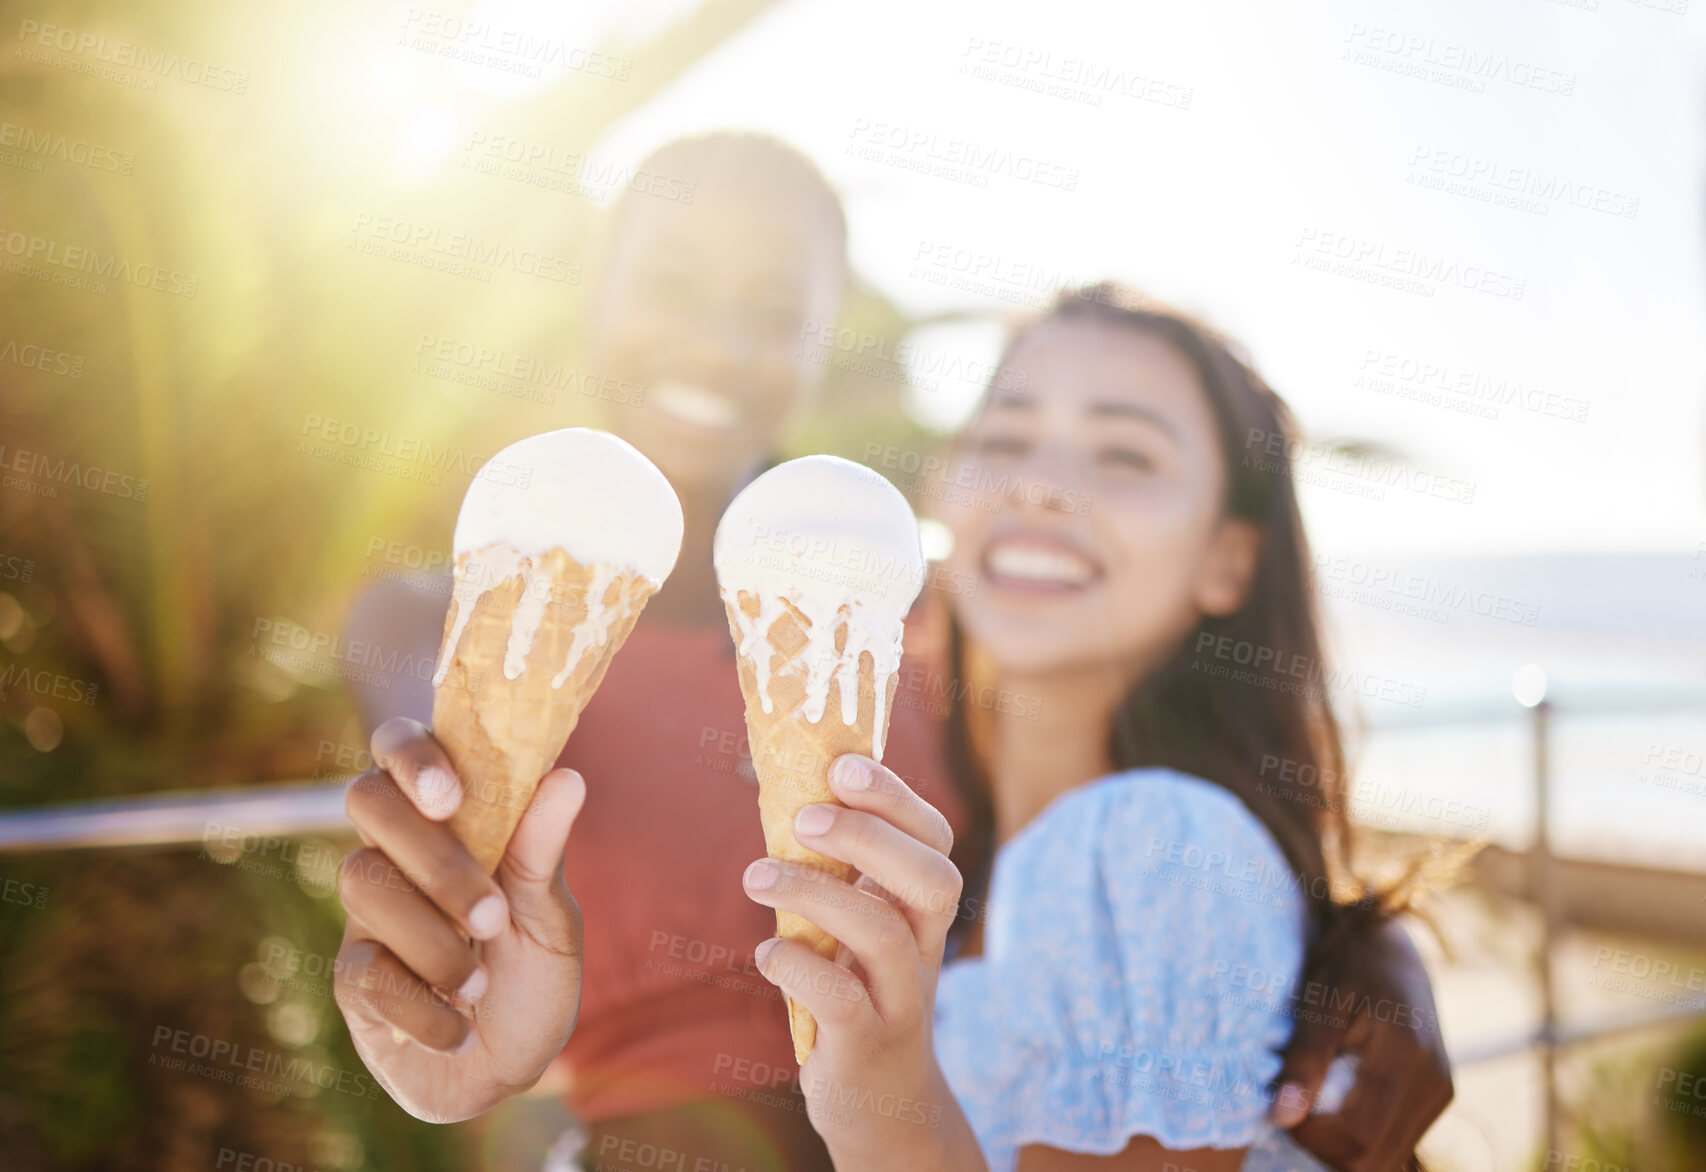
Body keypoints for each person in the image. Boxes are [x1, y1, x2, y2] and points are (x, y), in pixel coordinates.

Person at [332, 129, 1449, 1170]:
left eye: (774, 309)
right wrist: (445, 984)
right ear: (593, 287)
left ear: (825, 338)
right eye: (669, 283)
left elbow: (1111, 855)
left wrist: (1360, 968)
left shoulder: (918, 623)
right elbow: (455, 835)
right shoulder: (460, 622)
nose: (715, 342)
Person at [734, 284, 1452, 1171]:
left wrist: (893, 1118)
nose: (1038, 486)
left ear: (1229, 560)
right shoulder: (978, 835)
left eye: (1125, 454)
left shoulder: (1145, 841)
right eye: (1004, 439)